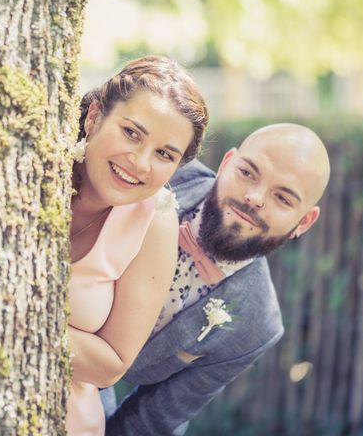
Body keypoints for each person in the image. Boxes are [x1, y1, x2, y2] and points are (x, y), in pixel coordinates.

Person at [104, 123, 331, 435]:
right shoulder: (166, 169)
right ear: (226, 163)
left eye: (283, 198)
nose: (255, 197)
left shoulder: (256, 327)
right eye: (248, 173)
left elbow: (152, 419)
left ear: (303, 222)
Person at [67, 55, 209, 435]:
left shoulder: (154, 223)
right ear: (94, 115)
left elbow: (111, 364)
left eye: (164, 154)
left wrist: (18, 321)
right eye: (132, 133)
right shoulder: (32, 165)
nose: (141, 163)